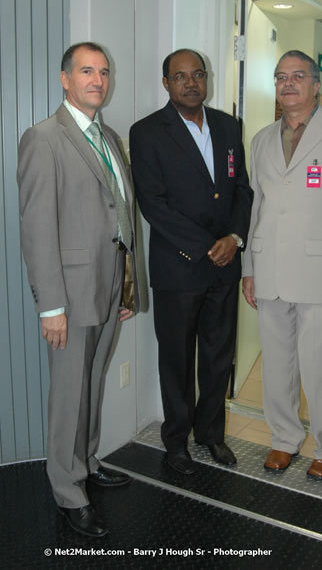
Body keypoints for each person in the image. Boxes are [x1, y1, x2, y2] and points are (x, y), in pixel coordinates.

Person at [17, 42, 139, 537]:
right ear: (65, 79)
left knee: (92, 380)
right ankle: (67, 490)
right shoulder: (44, 138)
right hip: (70, 291)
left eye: (104, 72)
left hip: (109, 288)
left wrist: (127, 287)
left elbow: (121, 214)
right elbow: (37, 228)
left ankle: (85, 463)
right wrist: (51, 307)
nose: (97, 80)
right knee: (70, 393)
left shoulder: (107, 136)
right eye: (86, 71)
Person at [242, 50, 322, 480]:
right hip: (271, 269)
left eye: (299, 76)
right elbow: (256, 209)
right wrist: (249, 268)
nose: (289, 84)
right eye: (281, 76)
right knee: (276, 363)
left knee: (320, 366)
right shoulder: (261, 139)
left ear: (316, 85)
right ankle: (283, 439)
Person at [130, 49, 253, 475]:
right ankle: (176, 441)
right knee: (178, 361)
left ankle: (211, 435)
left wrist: (235, 238)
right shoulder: (146, 132)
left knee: (219, 357)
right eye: (180, 76)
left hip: (225, 266)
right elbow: (153, 204)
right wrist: (207, 246)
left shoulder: (227, 125)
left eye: (197, 74)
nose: (190, 82)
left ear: (207, 79)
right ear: (166, 83)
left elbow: (242, 190)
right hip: (179, 268)